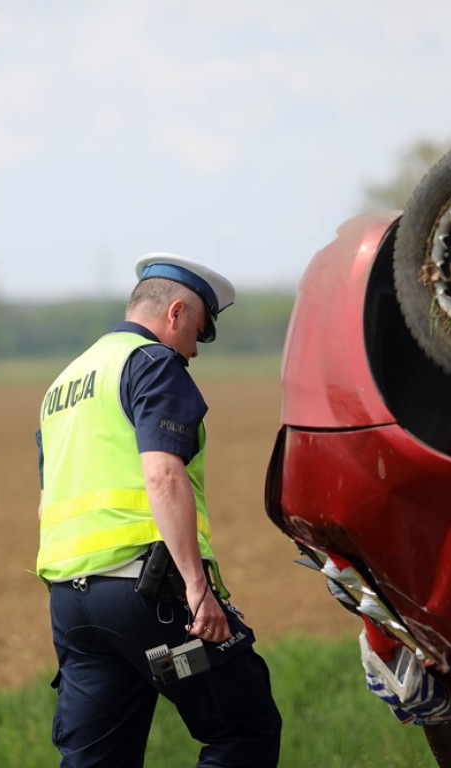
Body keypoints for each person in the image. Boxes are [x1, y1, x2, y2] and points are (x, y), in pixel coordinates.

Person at [35, 252, 282, 767]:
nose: (194, 349)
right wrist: (197, 590)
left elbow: (48, 493)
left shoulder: (64, 384)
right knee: (244, 727)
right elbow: (162, 474)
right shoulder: (152, 364)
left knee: (97, 759)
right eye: (198, 329)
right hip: (149, 602)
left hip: (76, 611)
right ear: (174, 313)